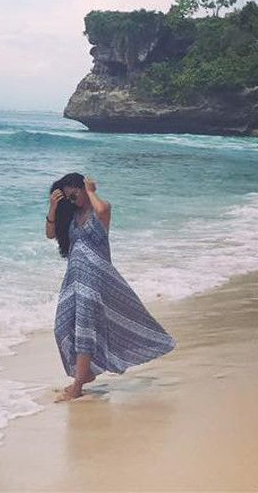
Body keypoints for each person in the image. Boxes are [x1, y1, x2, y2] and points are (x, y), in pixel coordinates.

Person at [46, 171, 175, 402]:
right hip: (73, 279)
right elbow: (50, 234)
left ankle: (77, 386)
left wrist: (91, 192)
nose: (72, 200)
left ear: (82, 188)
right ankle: (85, 374)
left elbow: (103, 208)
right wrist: (54, 207)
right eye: (68, 198)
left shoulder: (99, 213)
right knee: (61, 326)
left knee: (85, 329)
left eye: (74, 194)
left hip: (94, 278)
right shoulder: (72, 216)